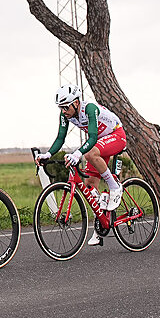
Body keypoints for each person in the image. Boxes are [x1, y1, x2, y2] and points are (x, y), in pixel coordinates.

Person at [33, 83, 128, 246]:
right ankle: (100, 227)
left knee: (90, 153)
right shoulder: (65, 115)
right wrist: (47, 154)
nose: (63, 111)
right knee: (90, 186)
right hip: (100, 142)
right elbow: (60, 138)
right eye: (60, 107)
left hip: (116, 135)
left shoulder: (90, 109)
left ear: (76, 103)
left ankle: (115, 187)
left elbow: (91, 138)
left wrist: (78, 154)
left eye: (65, 107)